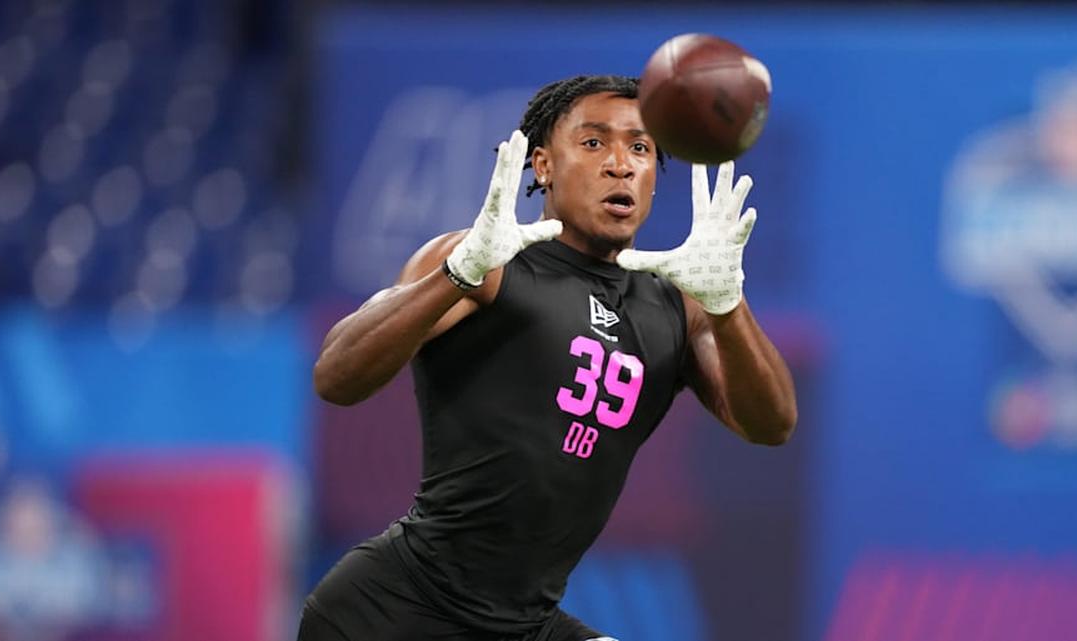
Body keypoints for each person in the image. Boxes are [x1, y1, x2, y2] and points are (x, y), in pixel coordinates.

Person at [302, 75, 797, 641]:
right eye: (594, 143)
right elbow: (336, 377)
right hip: (396, 611)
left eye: (640, 148)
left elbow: (772, 424)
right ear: (542, 165)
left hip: (524, 624)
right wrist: (455, 275)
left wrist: (728, 304)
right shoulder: (486, 263)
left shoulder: (679, 304)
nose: (620, 164)